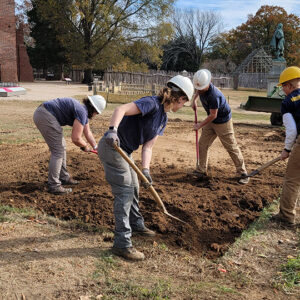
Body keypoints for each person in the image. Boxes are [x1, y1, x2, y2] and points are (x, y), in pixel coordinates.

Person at [98, 75, 194, 261]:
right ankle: (122, 244)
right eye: (184, 102)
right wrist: (112, 130)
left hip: (127, 151)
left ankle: (136, 225)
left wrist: (146, 170)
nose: (182, 106)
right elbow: (121, 109)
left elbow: (148, 147)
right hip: (113, 147)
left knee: (134, 187)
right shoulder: (151, 103)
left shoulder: (163, 119)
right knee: (125, 192)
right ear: (180, 98)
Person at [33, 95, 106, 195]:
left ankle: (64, 178)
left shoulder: (82, 111)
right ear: (93, 110)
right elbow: (76, 138)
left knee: (61, 147)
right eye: (96, 113)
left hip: (43, 113)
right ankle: (54, 185)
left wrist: (96, 147)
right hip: (45, 115)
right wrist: (84, 146)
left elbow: (87, 132)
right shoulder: (81, 112)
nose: (95, 115)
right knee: (58, 151)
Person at [191, 69, 249, 184]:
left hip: (223, 122)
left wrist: (199, 125)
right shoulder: (201, 89)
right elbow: (198, 91)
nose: (199, 90)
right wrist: (194, 100)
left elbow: (213, 115)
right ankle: (201, 170)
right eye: (198, 88)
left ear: (209, 82)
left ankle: (243, 173)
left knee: (231, 147)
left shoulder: (214, 95)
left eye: (202, 87)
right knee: (202, 144)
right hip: (211, 120)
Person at [270, 66, 300, 227]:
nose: (282, 90)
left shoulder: (288, 102)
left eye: (283, 86)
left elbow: (292, 130)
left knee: (292, 179)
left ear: (289, 85)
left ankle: (286, 216)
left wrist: (287, 150)